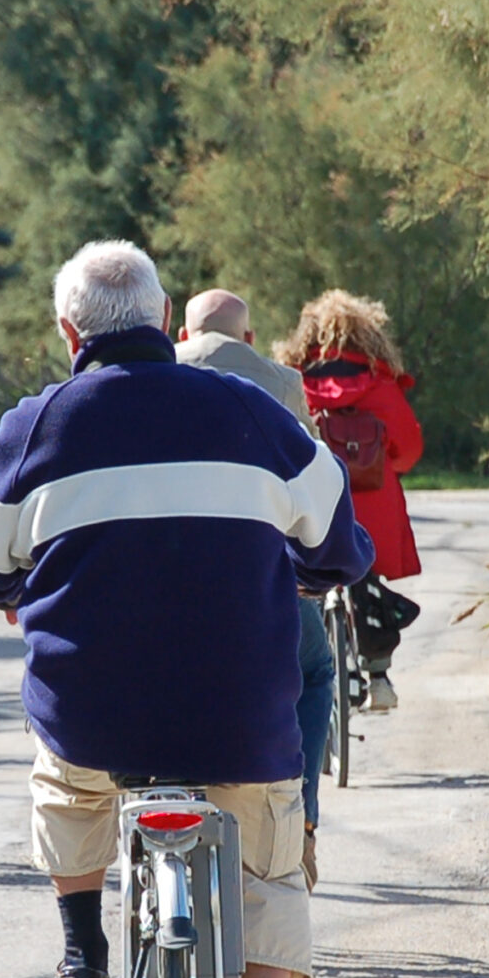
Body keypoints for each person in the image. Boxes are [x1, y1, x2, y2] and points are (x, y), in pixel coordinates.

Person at [0, 242, 372, 978]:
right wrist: (302, 567)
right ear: (161, 315)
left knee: (66, 786)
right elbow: (340, 541)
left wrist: (27, 588)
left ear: (68, 331)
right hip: (238, 715)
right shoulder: (254, 415)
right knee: (269, 857)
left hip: (93, 715)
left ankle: (81, 957)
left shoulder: (33, 426)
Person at [178, 289, 334, 871]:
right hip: (265, 577)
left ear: (183, 333)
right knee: (314, 671)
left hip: (169, 576)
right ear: (248, 338)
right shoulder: (282, 381)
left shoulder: (157, 373)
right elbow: (311, 481)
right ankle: (306, 820)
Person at [277, 291, 424, 713]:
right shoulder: (380, 384)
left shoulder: (293, 378)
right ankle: (377, 675)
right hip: (372, 508)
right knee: (368, 581)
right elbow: (410, 449)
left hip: (311, 504)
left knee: (300, 578)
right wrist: (382, 465)